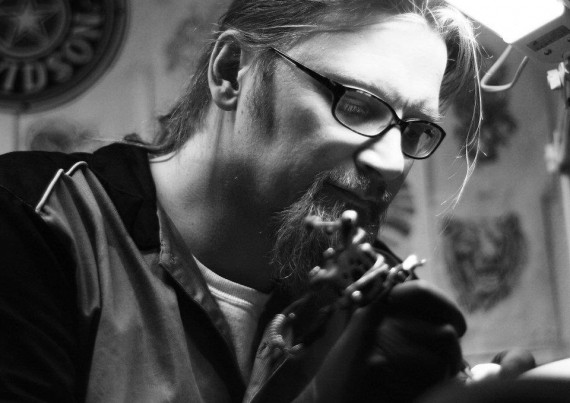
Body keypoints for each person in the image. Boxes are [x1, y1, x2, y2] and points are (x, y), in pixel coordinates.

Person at [0, 0, 488, 402]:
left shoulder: (374, 294)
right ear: (232, 72)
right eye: (357, 105)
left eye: (415, 130)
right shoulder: (38, 220)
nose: (392, 163)